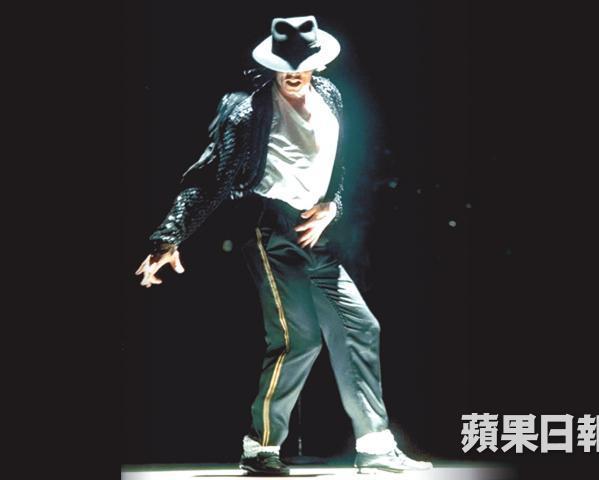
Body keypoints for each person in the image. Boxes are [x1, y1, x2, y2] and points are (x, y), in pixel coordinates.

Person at [135, 15, 432, 475]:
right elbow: (209, 176)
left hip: (314, 232)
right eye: (284, 64)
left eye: (302, 64)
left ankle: (375, 447)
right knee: (299, 339)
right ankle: (260, 448)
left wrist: (332, 205)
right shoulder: (248, 111)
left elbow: (336, 165)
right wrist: (168, 236)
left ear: (318, 64)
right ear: (272, 65)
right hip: (268, 229)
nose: (293, 72)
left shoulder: (329, 97)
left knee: (360, 327)